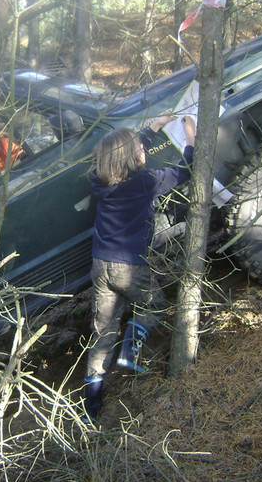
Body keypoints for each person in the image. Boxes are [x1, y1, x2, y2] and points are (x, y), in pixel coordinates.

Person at [83, 114, 196, 423]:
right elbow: (182, 172)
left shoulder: (99, 180)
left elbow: (121, 153)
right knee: (153, 306)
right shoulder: (144, 183)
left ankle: (91, 406)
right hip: (129, 266)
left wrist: (152, 129)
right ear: (133, 159)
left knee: (102, 332)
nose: (144, 152)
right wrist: (190, 141)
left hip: (100, 265)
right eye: (141, 150)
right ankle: (130, 353)